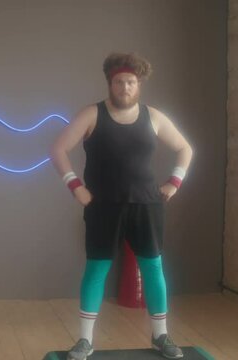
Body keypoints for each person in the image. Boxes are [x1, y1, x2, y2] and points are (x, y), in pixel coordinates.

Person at [51, 53, 193, 360]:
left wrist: (174, 182)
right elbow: (58, 149)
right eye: (119, 82)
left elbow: (185, 148)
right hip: (104, 207)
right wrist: (75, 186)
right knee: (96, 269)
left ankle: (161, 336)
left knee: (153, 268)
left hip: (146, 205)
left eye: (130, 82)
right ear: (110, 84)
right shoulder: (92, 114)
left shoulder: (153, 116)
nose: (125, 88)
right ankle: (85, 340)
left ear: (138, 84)